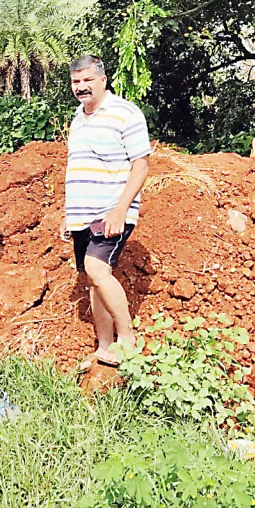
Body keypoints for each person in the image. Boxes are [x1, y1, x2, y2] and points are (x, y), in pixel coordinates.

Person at [61, 55, 151, 367]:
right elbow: (77, 167)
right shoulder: (78, 118)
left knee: (98, 270)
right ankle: (103, 345)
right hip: (82, 215)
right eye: (76, 82)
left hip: (110, 210)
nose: (81, 87)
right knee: (93, 278)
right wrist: (68, 214)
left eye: (87, 80)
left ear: (103, 80)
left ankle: (126, 339)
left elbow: (141, 164)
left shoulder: (125, 113)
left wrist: (120, 209)